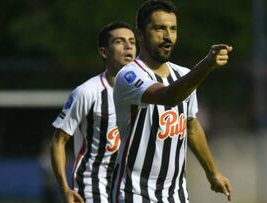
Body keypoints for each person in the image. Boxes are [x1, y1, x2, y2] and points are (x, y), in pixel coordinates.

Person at [111, 0, 233, 202]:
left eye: (173, 29)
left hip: (176, 196)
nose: (168, 36)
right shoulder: (129, 76)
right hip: (134, 194)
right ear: (140, 34)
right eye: (159, 28)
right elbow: (168, 96)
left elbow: (191, 126)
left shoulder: (183, 75)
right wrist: (207, 65)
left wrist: (212, 172)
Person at [50, 21, 136, 203]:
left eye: (132, 41)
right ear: (104, 52)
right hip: (94, 186)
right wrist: (65, 189)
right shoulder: (87, 92)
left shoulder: (145, 92)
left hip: (130, 187)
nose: (128, 46)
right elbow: (58, 142)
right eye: (120, 41)